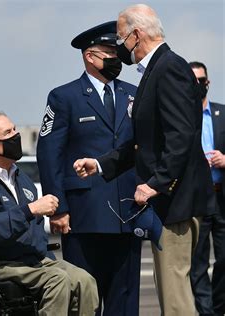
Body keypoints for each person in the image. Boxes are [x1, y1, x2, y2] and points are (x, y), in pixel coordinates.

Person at [73, 4, 215, 315]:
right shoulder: (156, 70)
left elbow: (181, 136)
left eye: (121, 38)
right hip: (169, 201)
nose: (119, 46)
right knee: (171, 294)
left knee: (176, 299)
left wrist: (156, 184)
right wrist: (100, 164)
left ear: (137, 35)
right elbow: (144, 144)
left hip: (175, 202)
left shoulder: (170, 68)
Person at [36, 21, 140, 316]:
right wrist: (57, 207)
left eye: (117, 53)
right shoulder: (64, 97)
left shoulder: (133, 94)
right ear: (89, 56)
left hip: (128, 212)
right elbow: (49, 153)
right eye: (109, 53)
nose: (116, 59)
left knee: (125, 297)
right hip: (83, 214)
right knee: (84, 297)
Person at [0, 112, 99, 316]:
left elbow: (35, 231)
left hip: (30, 259)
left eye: (15, 129)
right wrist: (30, 210)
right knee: (58, 280)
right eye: (8, 132)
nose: (16, 135)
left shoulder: (21, 178)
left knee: (85, 280)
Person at [189, 61, 225, 316]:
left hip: (221, 196)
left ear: (208, 83)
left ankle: (219, 306)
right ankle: (206, 312)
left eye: (201, 80)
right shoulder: (181, 116)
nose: (197, 85)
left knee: (224, 260)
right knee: (197, 262)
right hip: (196, 200)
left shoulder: (222, 113)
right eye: (192, 81)